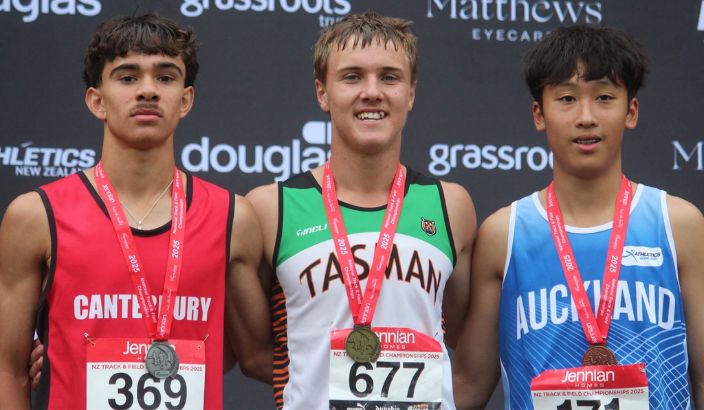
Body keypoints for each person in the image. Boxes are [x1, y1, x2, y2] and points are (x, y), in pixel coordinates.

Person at [0, 13, 268, 408]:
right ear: (97, 101)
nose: (148, 91)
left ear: (186, 100)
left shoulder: (232, 218)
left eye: (165, 77)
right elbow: (8, 370)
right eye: (127, 78)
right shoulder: (36, 216)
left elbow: (252, 354)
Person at [452, 25, 704, 409]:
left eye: (604, 97)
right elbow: (468, 383)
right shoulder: (505, 233)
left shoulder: (678, 224)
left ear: (631, 111)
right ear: (539, 114)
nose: (586, 117)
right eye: (567, 99)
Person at [245, 11, 476, 409]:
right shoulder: (271, 207)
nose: (372, 92)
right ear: (322, 93)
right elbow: (253, 354)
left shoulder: (450, 205)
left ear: (411, 93)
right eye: (352, 77)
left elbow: (456, 331)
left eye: (389, 77)